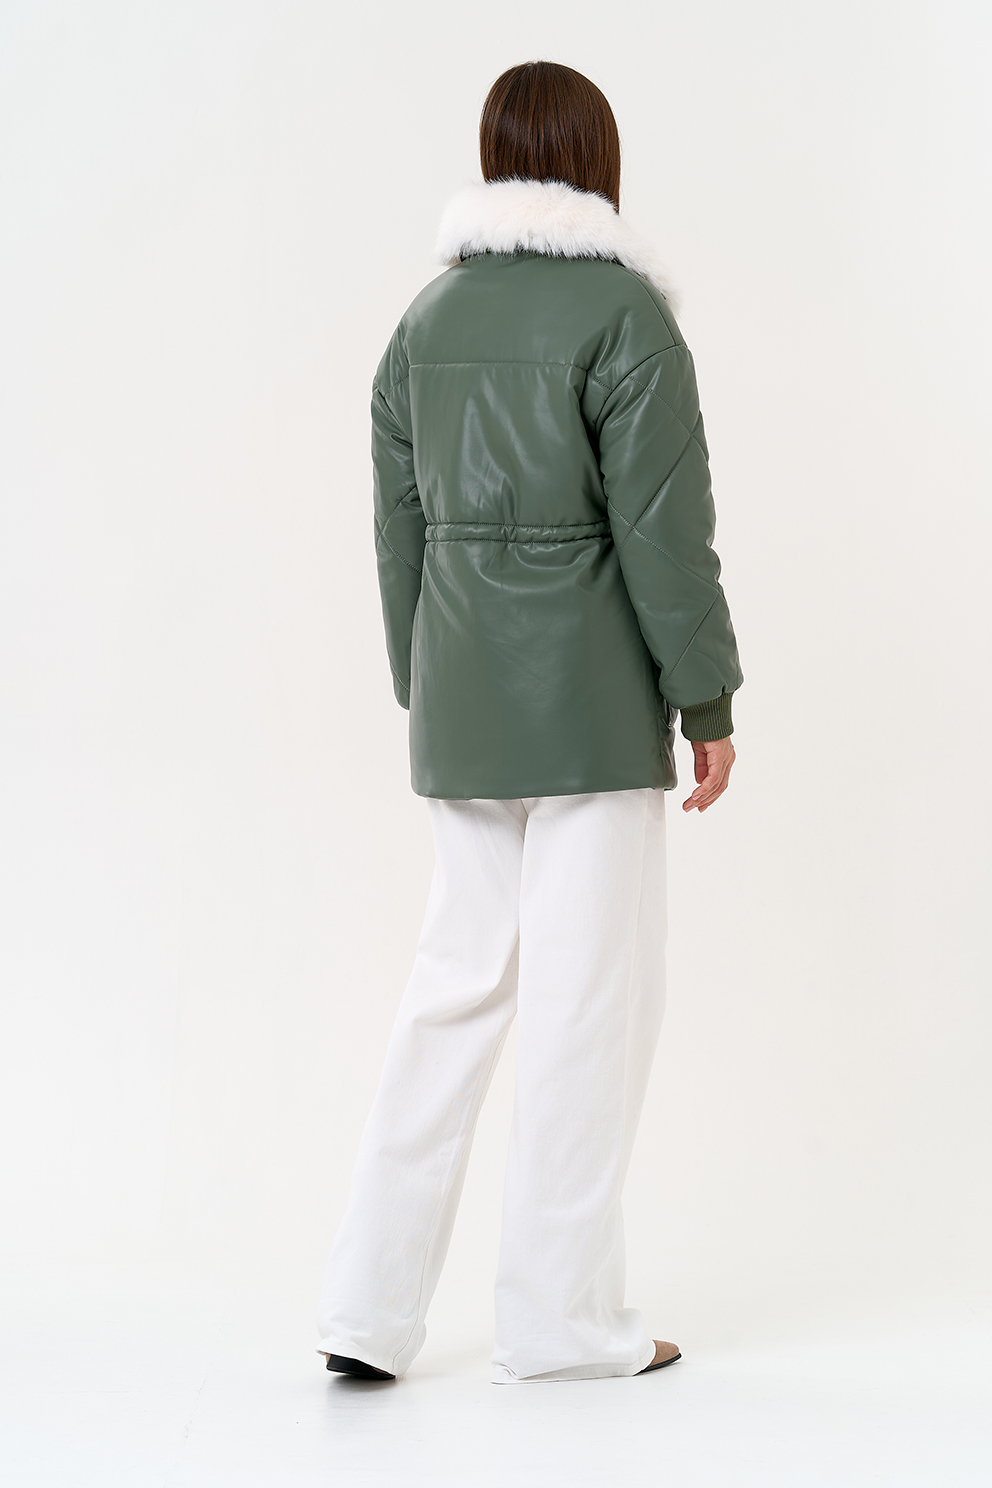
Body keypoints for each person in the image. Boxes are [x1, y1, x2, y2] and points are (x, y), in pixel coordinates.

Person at [316, 59, 743, 1385]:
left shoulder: (425, 319)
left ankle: (364, 1313)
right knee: (586, 1008)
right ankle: (560, 1324)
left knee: (451, 992)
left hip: (464, 710)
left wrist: (427, 685)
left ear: (495, 154)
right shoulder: (627, 319)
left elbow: (397, 536)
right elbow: (667, 538)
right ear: (598, 162)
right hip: (591, 718)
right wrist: (707, 698)